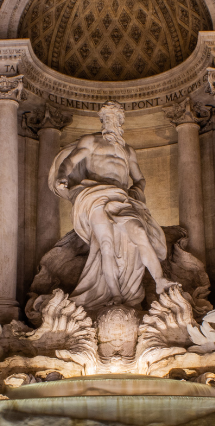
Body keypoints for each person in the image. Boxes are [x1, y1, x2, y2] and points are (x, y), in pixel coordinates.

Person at [48, 101, 171, 311]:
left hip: (121, 198)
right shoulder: (91, 141)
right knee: (106, 245)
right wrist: (61, 176)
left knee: (139, 231)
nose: (110, 122)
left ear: (121, 122)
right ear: (102, 121)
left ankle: (160, 280)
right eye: (106, 118)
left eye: (114, 118)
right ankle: (114, 294)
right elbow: (68, 163)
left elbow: (140, 179)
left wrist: (136, 192)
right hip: (94, 195)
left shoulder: (128, 151)